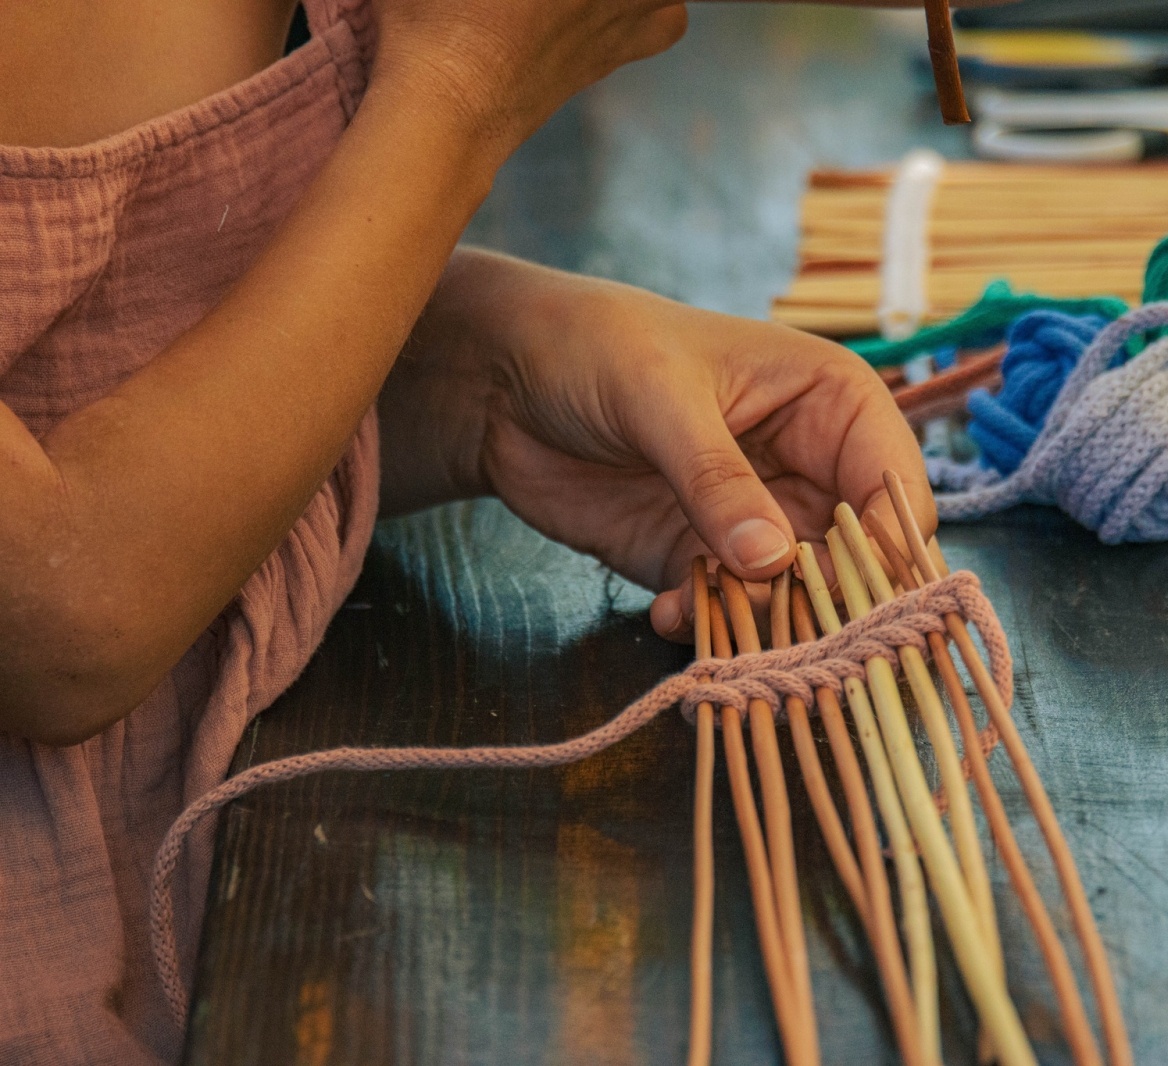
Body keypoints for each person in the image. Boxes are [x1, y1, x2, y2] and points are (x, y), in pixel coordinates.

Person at [0, 0, 936, 1061]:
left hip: (262, 942)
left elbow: (81, 367)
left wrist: (480, 377)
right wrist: (458, 90)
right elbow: (60, 609)